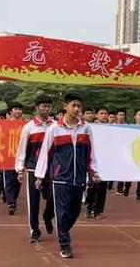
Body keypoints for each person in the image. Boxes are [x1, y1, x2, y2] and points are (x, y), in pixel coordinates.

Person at [35, 93, 99, 258]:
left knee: (75, 211)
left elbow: (90, 153)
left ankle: (49, 217)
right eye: (73, 105)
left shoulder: (86, 128)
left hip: (79, 178)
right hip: (60, 178)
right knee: (62, 212)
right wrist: (40, 176)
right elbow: (45, 153)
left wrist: (93, 171)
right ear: (65, 107)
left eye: (79, 106)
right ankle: (65, 244)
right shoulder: (54, 129)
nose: (77, 109)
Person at [15, 94, 55, 243]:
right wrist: (20, 169)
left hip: (51, 169)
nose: (46, 109)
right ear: (37, 108)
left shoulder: (55, 125)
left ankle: (48, 216)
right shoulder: (29, 128)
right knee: (34, 201)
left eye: (48, 106)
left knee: (53, 198)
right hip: (33, 169)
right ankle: (34, 230)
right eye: (43, 106)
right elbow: (22, 150)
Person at [85, 107, 108, 218]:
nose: (104, 115)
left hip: (105, 160)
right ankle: (89, 207)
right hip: (93, 161)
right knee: (92, 185)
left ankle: (98, 210)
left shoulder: (111, 129)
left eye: (105, 113)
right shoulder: (90, 128)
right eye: (101, 113)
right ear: (96, 115)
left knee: (103, 186)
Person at [3, 102, 24, 215]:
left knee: (18, 181)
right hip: (8, 156)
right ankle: (11, 202)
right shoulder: (5, 125)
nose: (18, 111)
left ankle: (13, 200)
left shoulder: (25, 126)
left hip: (20, 157)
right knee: (9, 180)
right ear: (11, 111)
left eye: (19, 109)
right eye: (15, 109)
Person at [115, 109, 132, 196]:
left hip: (126, 151)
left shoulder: (128, 126)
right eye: (120, 115)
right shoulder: (112, 126)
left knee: (128, 170)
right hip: (116, 151)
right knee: (120, 171)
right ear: (117, 116)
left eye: (123, 115)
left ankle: (127, 188)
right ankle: (119, 188)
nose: (121, 117)